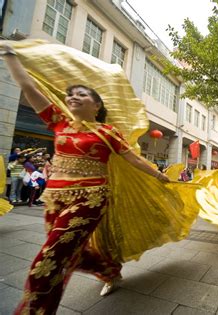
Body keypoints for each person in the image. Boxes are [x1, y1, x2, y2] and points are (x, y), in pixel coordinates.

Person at [1, 43, 175, 314]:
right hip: (54, 198)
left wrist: (159, 176)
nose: (73, 97)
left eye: (81, 94)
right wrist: (11, 56)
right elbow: (29, 87)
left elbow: (133, 158)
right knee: (74, 254)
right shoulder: (58, 122)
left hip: (90, 199)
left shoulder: (107, 132)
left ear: (96, 105)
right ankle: (109, 270)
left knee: (49, 260)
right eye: (71, 94)